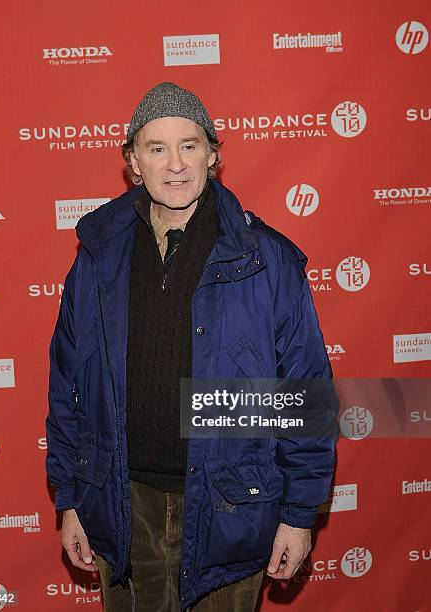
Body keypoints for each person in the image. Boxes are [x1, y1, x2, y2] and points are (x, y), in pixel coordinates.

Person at [46, 82, 337, 611]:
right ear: (134, 162)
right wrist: (70, 497)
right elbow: (68, 388)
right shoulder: (97, 256)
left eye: (190, 145)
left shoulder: (266, 261)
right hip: (120, 502)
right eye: (156, 149)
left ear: (213, 156)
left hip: (231, 507)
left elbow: (305, 396)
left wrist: (298, 513)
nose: (175, 164)